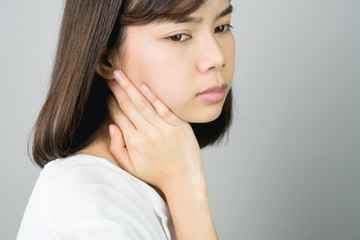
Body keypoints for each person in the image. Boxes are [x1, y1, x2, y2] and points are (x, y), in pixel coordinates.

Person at [17, 0, 235, 239]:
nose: (216, 57)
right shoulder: (88, 215)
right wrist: (187, 189)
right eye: (178, 36)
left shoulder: (150, 184)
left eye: (222, 27)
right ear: (104, 58)